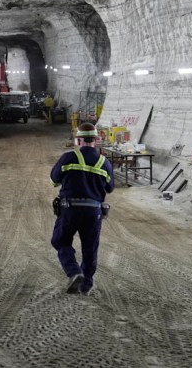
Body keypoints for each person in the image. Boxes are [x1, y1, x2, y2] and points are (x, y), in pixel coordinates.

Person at [50, 122, 115, 295]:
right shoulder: (105, 163)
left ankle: (74, 272)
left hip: (69, 209)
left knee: (61, 241)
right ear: (96, 140)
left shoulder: (68, 157)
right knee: (90, 248)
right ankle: (85, 285)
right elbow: (110, 188)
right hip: (93, 212)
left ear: (78, 140)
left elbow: (54, 179)